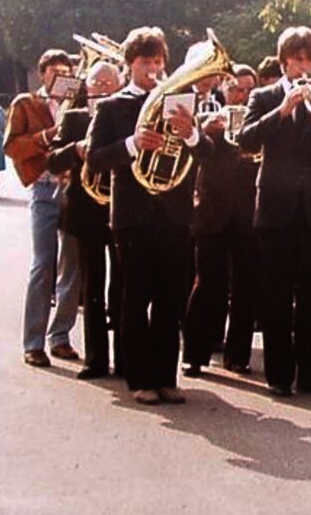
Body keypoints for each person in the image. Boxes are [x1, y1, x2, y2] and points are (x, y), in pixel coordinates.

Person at [87, 26, 205, 405]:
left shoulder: (181, 103)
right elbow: (94, 157)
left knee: (172, 299)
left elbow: (206, 153)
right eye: (145, 62)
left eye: (158, 61)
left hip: (174, 211)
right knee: (136, 298)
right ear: (130, 65)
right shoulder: (113, 106)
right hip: (133, 214)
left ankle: (166, 377)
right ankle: (139, 379)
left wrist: (190, 135)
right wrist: (133, 145)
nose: (153, 68)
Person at [237, 26, 311, 398]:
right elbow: (246, 139)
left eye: (309, 59)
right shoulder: (264, 95)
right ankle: (279, 374)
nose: (303, 66)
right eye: (297, 59)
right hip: (275, 208)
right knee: (276, 293)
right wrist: (284, 111)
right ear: (284, 61)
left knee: (309, 295)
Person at [4, 49, 82, 367]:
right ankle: (33, 342)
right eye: (53, 71)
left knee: (73, 266)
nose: (60, 76)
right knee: (43, 264)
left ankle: (60, 336)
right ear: (43, 73)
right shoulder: (26, 103)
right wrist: (46, 135)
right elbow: (11, 146)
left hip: (72, 188)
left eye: (65, 70)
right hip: (44, 187)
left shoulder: (77, 102)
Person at [47, 61, 124, 379]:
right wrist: (75, 149)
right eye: (98, 83)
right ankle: (95, 358)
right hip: (85, 207)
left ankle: (126, 356)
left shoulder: (125, 113)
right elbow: (52, 161)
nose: (104, 88)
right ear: (87, 87)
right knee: (91, 285)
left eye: (110, 83)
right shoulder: (75, 117)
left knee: (122, 285)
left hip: (119, 209)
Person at [182, 64, 259, 377]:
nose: (241, 95)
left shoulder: (260, 122)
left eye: (246, 90)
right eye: (235, 89)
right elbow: (195, 154)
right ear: (223, 90)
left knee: (246, 286)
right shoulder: (207, 117)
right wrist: (206, 128)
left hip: (249, 214)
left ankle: (237, 356)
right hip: (213, 213)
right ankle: (194, 355)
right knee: (207, 284)